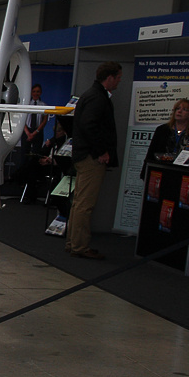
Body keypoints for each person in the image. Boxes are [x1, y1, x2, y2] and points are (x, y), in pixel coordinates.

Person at [66, 61, 122, 259]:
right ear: (110, 77)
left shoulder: (90, 95)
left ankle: (73, 242)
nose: (118, 82)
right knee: (85, 203)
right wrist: (101, 151)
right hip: (90, 157)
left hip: (83, 154)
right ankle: (79, 245)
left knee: (79, 202)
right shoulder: (97, 97)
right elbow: (89, 125)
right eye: (118, 78)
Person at [144, 99, 189, 172]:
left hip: (188, 172)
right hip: (162, 169)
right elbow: (151, 153)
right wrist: (145, 173)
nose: (179, 111)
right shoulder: (162, 129)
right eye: (178, 108)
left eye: (185, 109)